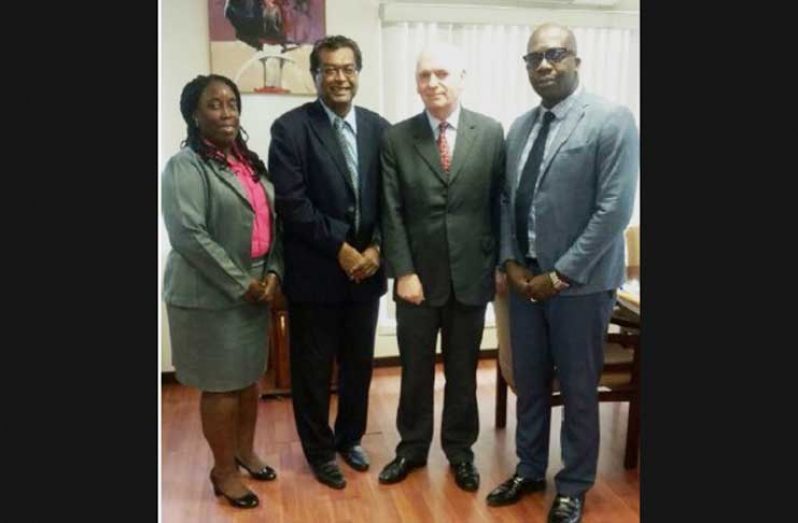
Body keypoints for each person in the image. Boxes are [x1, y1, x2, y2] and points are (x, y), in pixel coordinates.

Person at [486, 23, 639, 523]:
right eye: (533, 59)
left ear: (576, 60)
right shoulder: (520, 128)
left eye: (554, 54)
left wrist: (562, 275)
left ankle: (572, 485)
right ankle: (530, 469)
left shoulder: (611, 120)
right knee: (530, 383)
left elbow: (613, 210)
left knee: (577, 390)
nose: (544, 65)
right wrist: (511, 263)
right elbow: (508, 201)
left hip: (581, 287)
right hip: (525, 282)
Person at [378, 42, 505, 493]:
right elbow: (390, 210)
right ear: (416, 83)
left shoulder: (490, 133)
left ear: (462, 78)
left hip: (472, 274)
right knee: (414, 370)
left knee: (464, 371)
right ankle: (411, 448)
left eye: (442, 74)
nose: (433, 82)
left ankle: (460, 451)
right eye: (424, 75)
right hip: (418, 279)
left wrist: (500, 263)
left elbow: (499, 204)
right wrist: (403, 272)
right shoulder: (396, 137)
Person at [268, 35, 390, 490]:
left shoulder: (380, 128)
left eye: (348, 68)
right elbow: (293, 204)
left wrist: (377, 248)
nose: (340, 77)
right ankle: (319, 452)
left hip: (367, 274)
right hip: (317, 274)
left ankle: (349, 439)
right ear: (315, 76)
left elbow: (390, 199)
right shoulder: (290, 129)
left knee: (358, 365)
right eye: (329, 70)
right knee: (313, 370)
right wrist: (342, 248)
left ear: (358, 72)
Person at [161, 74, 284, 509]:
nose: (227, 111)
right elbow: (188, 235)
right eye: (214, 104)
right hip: (209, 294)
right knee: (221, 386)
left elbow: (272, 221)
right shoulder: (185, 166)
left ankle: (245, 452)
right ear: (194, 114)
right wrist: (241, 282)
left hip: (255, 286)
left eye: (232, 103)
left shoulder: (246, 161)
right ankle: (223, 471)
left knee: (248, 378)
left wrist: (272, 273)